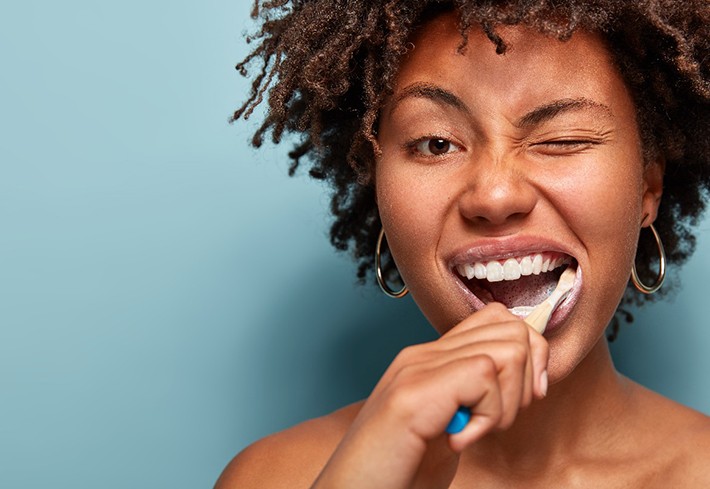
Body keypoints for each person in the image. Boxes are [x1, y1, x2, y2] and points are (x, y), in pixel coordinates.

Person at [217, 1, 710, 487]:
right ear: (378, 192)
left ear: (647, 187)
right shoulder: (274, 477)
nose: (494, 196)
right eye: (436, 144)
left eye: (560, 138)